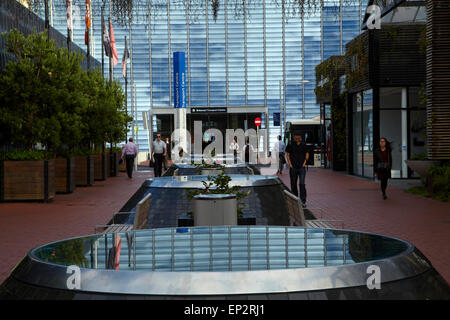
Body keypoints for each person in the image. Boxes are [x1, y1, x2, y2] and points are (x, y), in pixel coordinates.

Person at [286, 132, 309, 207]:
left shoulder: (303, 144)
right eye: (295, 137)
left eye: (298, 137)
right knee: (293, 184)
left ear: (300, 137)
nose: (297, 138)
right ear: (293, 137)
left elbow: (307, 153)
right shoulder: (290, 144)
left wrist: (304, 162)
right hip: (293, 167)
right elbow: (287, 154)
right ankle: (295, 199)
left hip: (301, 167)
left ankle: (303, 201)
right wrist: (290, 164)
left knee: (302, 184)